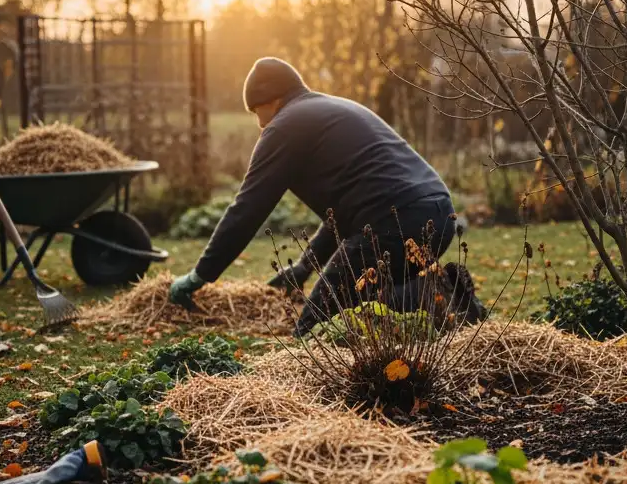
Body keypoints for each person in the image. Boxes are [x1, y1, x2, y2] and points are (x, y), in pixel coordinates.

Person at [168, 56, 458, 335]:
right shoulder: (333, 108)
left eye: (257, 111)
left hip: (394, 222)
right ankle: (438, 295)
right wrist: (305, 267)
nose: (260, 124)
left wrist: (200, 276)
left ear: (271, 99)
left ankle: (436, 294)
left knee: (314, 327)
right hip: (438, 214)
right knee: (360, 302)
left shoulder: (285, 126)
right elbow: (343, 215)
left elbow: (247, 209)